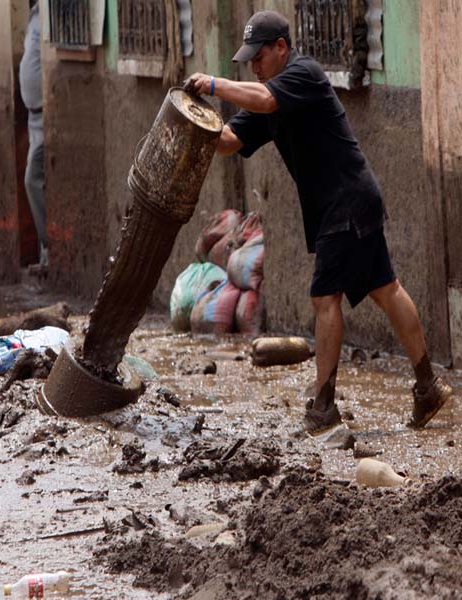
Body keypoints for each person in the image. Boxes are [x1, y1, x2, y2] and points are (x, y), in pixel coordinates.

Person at [184, 10, 452, 432]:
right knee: (386, 288)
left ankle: (324, 407)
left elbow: (267, 100)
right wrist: (191, 119)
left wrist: (214, 84)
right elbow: (229, 142)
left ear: (281, 48)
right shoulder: (265, 92)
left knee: (325, 299)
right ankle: (427, 387)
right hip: (342, 203)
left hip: (347, 200)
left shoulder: (302, 74)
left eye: (259, 57)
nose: (254, 66)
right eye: (248, 60)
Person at [19, 1, 47, 273]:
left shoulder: (48, 14)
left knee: (32, 179)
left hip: (46, 114)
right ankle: (45, 251)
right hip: (33, 116)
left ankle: (48, 246)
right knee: (34, 180)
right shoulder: (35, 15)